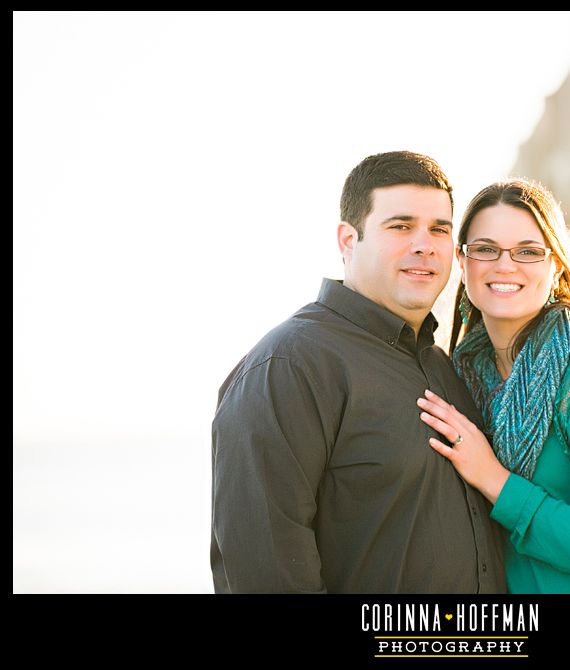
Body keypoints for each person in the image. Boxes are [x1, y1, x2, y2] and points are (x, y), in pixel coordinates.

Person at [210, 151, 506, 593]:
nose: (424, 244)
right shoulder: (289, 368)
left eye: (439, 229)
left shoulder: (446, 367)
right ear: (349, 240)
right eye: (401, 226)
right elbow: (266, 572)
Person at [417, 179, 570, 593]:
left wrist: (495, 480)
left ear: (556, 265)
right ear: (463, 263)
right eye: (485, 249)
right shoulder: (461, 379)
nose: (505, 265)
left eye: (528, 251)